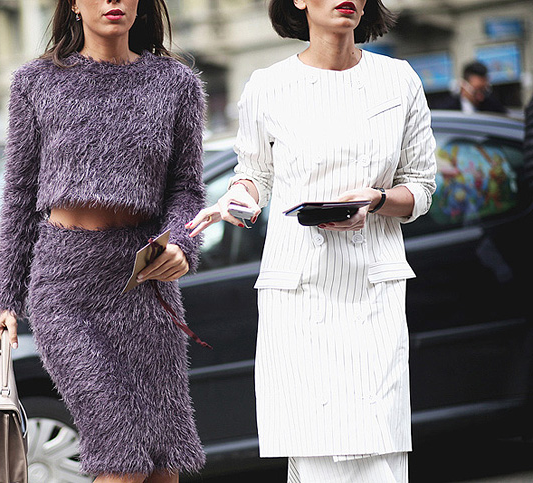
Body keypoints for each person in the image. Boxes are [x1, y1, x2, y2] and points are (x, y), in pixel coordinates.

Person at [187, 0, 436, 481]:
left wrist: (377, 200)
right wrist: (238, 199)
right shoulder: (268, 85)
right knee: (315, 454)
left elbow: (421, 187)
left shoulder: (399, 79)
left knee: (378, 454)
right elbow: (254, 173)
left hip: (372, 288)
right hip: (298, 290)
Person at [0, 1, 207, 482]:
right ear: (73, 5)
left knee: (164, 464)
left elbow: (187, 189)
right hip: (66, 289)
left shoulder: (176, 83)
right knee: (121, 456)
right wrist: (6, 296)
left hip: (143, 284)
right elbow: (20, 193)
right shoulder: (36, 82)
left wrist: (181, 245)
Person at [432, 60, 507, 114]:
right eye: (476, 90)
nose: (481, 97)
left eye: (484, 90)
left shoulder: (494, 108)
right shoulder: (447, 110)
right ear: (463, 86)